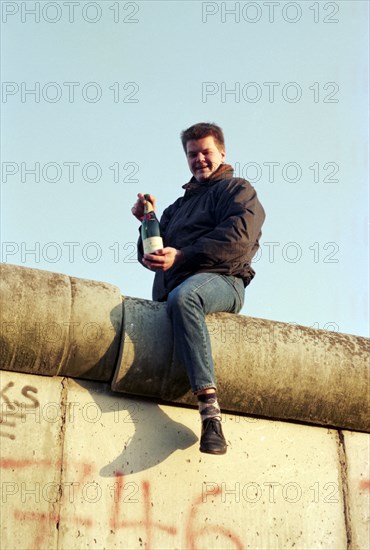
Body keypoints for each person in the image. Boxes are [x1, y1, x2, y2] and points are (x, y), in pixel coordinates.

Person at [131, 122, 265, 455]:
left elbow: (238, 241)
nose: (200, 160)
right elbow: (151, 252)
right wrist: (146, 223)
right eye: (193, 154)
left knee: (186, 295)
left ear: (222, 152)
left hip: (223, 280)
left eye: (206, 152)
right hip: (171, 292)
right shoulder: (176, 208)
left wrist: (182, 256)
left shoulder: (238, 190)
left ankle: (210, 414)